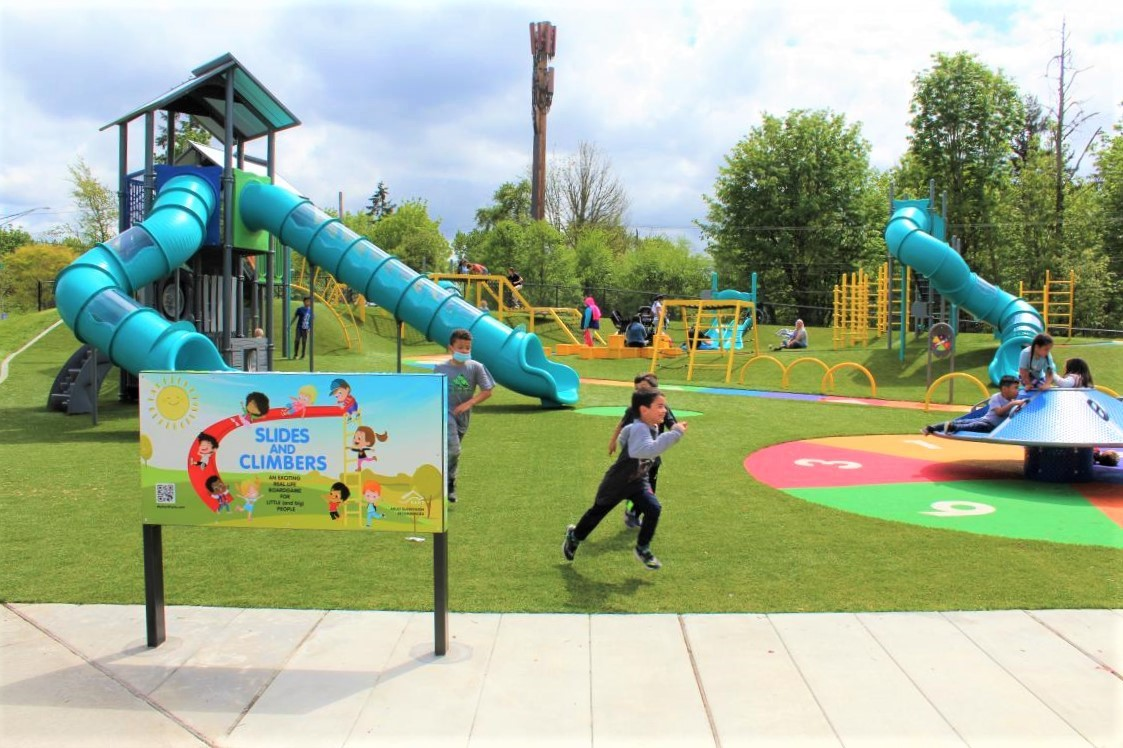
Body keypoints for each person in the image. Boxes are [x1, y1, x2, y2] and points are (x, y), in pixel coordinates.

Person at [564, 387, 688, 570]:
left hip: (638, 482)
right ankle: (574, 536)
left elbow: (626, 437)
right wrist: (675, 433)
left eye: (665, 407)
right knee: (596, 514)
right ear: (644, 410)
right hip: (617, 482)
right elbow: (647, 450)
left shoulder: (649, 426)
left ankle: (642, 548)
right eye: (660, 406)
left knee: (653, 508)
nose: (665, 411)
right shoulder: (640, 429)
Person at [433, 328, 495, 503]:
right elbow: (433, 391)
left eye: (467, 348)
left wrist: (468, 404)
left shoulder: (476, 367)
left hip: (464, 416)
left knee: (453, 452)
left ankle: (449, 480)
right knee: (454, 449)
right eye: (460, 347)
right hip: (446, 414)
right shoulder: (440, 368)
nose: (464, 351)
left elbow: (487, 391)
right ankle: (447, 482)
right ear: (450, 348)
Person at [609, 373, 677, 528]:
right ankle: (632, 512)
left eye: (644, 389)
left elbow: (671, 422)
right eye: (637, 389)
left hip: (653, 454)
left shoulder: (662, 408)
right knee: (639, 486)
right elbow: (621, 424)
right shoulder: (634, 409)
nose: (640, 393)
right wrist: (613, 441)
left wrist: (676, 430)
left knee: (650, 487)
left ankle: (634, 512)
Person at [922, 375, 1027, 435]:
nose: (1017, 391)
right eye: (1015, 388)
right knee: (965, 422)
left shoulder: (1014, 399)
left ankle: (952, 427)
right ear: (1005, 389)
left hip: (991, 426)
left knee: (972, 426)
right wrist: (1012, 404)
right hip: (987, 421)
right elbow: (999, 412)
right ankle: (931, 428)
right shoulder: (997, 397)